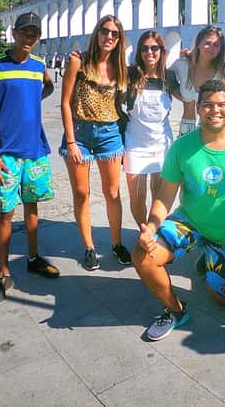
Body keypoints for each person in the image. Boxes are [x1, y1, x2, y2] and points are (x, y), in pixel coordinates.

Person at [132, 79, 225, 341]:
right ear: (197, 108)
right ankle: (175, 310)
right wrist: (150, 228)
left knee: (223, 299)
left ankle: (209, 256)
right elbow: (164, 196)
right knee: (142, 255)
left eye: (221, 104)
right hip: (190, 223)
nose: (215, 110)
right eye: (207, 104)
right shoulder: (182, 147)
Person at [0, 11, 60, 304]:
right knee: (6, 212)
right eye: (24, 32)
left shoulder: (39, 66)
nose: (29, 38)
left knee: (32, 206)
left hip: (34, 150)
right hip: (7, 154)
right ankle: (3, 271)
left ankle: (33, 257)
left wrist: (30, 101)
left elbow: (48, 85)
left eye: (34, 34)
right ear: (13, 33)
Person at [60, 14, 130, 271]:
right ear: (97, 33)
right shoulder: (78, 61)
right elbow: (65, 102)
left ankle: (117, 243)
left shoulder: (119, 68)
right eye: (104, 31)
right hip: (80, 133)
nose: (109, 36)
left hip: (109, 132)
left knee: (112, 192)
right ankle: (89, 247)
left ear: (119, 39)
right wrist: (70, 142)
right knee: (82, 193)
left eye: (114, 33)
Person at [123, 30, 174, 228]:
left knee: (159, 195)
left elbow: (190, 92)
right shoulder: (130, 75)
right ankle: (144, 230)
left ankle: (154, 232)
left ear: (162, 51)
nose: (149, 52)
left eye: (154, 48)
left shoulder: (169, 77)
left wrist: (190, 57)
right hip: (135, 145)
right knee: (137, 197)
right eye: (144, 48)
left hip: (161, 145)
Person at [168, 25, 225, 135]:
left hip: (212, 129)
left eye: (216, 45)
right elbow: (164, 76)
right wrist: (178, 93)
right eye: (208, 43)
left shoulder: (222, 71)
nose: (211, 48)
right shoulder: (183, 65)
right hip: (187, 128)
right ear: (198, 44)